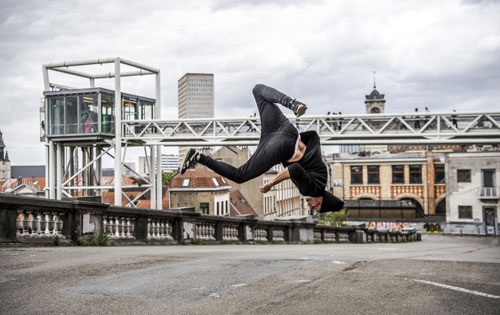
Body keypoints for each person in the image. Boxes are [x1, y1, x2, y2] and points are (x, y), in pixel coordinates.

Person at [181, 84, 344, 213]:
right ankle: (198, 157)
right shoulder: (313, 189)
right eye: (315, 207)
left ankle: (293, 104)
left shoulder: (320, 178)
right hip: (282, 147)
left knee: (258, 90)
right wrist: (270, 184)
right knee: (240, 175)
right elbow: (294, 169)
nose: (310, 207)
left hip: (286, 130)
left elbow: (312, 141)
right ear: (321, 200)